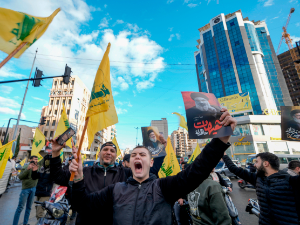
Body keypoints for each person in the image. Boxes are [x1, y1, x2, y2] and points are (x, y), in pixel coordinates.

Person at [70, 109, 236, 225]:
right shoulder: (115, 190)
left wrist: (220, 140)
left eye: (143, 155)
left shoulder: (163, 187)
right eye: (134, 154)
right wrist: (77, 178)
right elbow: (82, 205)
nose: (137, 157)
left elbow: (196, 172)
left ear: (151, 163)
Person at [50, 141, 165, 225]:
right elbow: (58, 177)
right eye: (105, 150)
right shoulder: (84, 171)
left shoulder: (126, 173)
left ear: (116, 155)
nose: (108, 152)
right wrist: (55, 152)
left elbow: (150, 170)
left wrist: (161, 149)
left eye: (112, 151)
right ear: (99, 153)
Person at [223, 152, 300, 225]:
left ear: (266, 163)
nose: (254, 165)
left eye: (256, 162)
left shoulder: (291, 180)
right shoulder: (257, 179)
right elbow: (234, 169)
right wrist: (224, 155)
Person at [13, 155, 39, 225]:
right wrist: (27, 169)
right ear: (30, 160)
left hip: (33, 189)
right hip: (25, 190)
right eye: (35, 159)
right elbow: (20, 177)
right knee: (20, 208)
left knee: (29, 208)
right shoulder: (25, 167)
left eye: (37, 159)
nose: (36, 161)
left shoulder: (37, 168)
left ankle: (25, 223)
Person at [31, 153, 54, 222]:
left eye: (48, 160)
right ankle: (42, 222)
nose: (47, 161)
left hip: (45, 194)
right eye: (46, 160)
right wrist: (34, 171)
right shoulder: (42, 168)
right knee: (38, 212)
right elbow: (34, 177)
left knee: (39, 213)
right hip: (38, 193)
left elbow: (55, 179)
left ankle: (41, 223)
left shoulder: (53, 170)